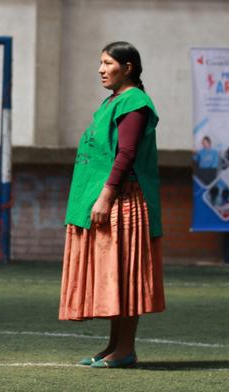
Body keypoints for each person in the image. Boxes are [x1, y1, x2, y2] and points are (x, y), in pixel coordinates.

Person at [60, 42, 165, 369]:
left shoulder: (134, 102)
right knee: (113, 274)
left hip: (124, 200)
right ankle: (114, 345)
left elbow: (126, 153)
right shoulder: (114, 101)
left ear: (128, 67)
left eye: (108, 63)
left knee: (125, 274)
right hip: (109, 198)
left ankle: (126, 348)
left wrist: (106, 196)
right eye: (101, 63)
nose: (101, 69)